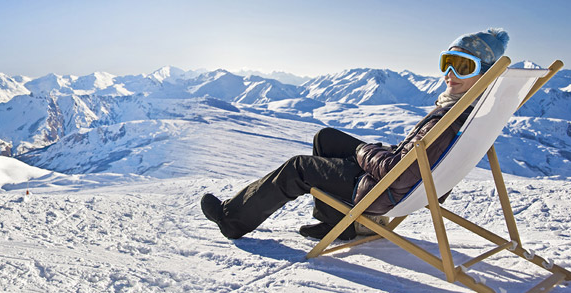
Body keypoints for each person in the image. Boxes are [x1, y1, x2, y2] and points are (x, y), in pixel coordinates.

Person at [201, 28, 510, 240]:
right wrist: (383, 151)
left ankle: (232, 220)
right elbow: (416, 159)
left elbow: (396, 172)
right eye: (448, 63)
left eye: (463, 66)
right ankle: (341, 223)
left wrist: (365, 152)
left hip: (383, 190)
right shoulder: (472, 111)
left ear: (484, 74)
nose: (450, 75)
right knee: (326, 138)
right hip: (403, 181)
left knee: (298, 168)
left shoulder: (449, 119)